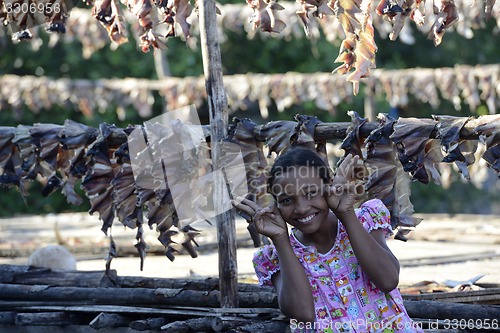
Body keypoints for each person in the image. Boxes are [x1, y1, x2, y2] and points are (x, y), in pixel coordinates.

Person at [232, 147, 423, 333]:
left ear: (329, 186)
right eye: (287, 200)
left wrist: (346, 213)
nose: (301, 208)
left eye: (311, 193)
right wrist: (280, 239)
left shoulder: (365, 220)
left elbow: (388, 280)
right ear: (277, 205)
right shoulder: (274, 257)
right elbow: (303, 313)